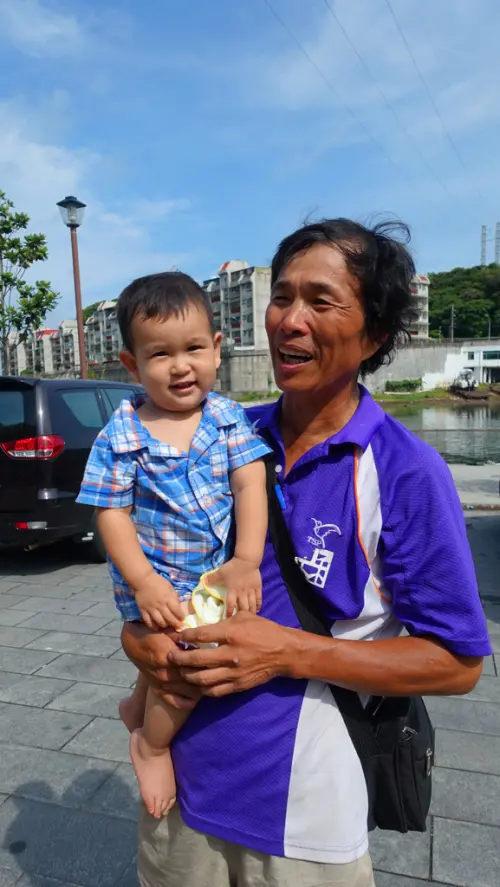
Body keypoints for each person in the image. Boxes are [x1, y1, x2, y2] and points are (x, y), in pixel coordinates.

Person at [122, 220, 492, 887]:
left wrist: (287, 652)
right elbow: (161, 561)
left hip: (303, 820)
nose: (289, 320)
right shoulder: (224, 434)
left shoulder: (405, 471)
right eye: (282, 296)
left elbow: (457, 662)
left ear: (375, 335)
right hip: (179, 790)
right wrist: (137, 639)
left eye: (321, 301)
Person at [77, 272, 270, 819]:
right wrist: (142, 581)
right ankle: (153, 744)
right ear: (133, 364)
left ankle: (134, 707)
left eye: (193, 349)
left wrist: (247, 560)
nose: (181, 366)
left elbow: (249, 485)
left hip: (212, 574)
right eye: (160, 354)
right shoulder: (121, 435)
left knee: (170, 657)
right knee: (185, 670)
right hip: (155, 578)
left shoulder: (227, 418)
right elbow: (110, 512)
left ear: (216, 349)